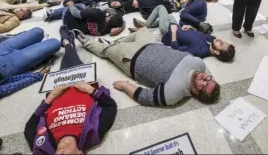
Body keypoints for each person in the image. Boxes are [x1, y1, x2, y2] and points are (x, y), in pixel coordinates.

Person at [24, 26, 117, 155]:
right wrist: (91, 90)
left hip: (58, 88)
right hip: (83, 83)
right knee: (72, 61)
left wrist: (50, 98)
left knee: (67, 63)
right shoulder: (94, 134)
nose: (60, 153)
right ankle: (68, 44)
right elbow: (110, 106)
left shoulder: (43, 146)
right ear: (80, 153)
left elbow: (30, 127)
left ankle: (68, 44)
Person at [77, 28, 220, 106]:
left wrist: (125, 86)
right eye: (209, 78)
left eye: (204, 84)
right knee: (143, 30)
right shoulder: (200, 65)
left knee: (106, 51)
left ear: (196, 92)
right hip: (151, 44)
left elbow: (145, 97)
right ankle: (116, 42)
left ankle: (84, 41)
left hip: (132, 58)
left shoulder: (175, 93)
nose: (205, 77)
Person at [0, 27, 60, 94]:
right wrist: (35, 76)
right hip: (8, 67)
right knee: (55, 43)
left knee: (38, 31)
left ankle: (39, 50)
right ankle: (40, 53)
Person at [130, 5, 235, 61]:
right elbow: (198, 34)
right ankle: (144, 25)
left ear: (217, 52)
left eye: (221, 44)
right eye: (223, 41)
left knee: (160, 7)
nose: (220, 40)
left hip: (168, 33)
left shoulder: (199, 52)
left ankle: (145, 26)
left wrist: (174, 33)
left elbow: (176, 49)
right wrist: (191, 28)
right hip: (177, 27)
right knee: (170, 16)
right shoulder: (212, 38)